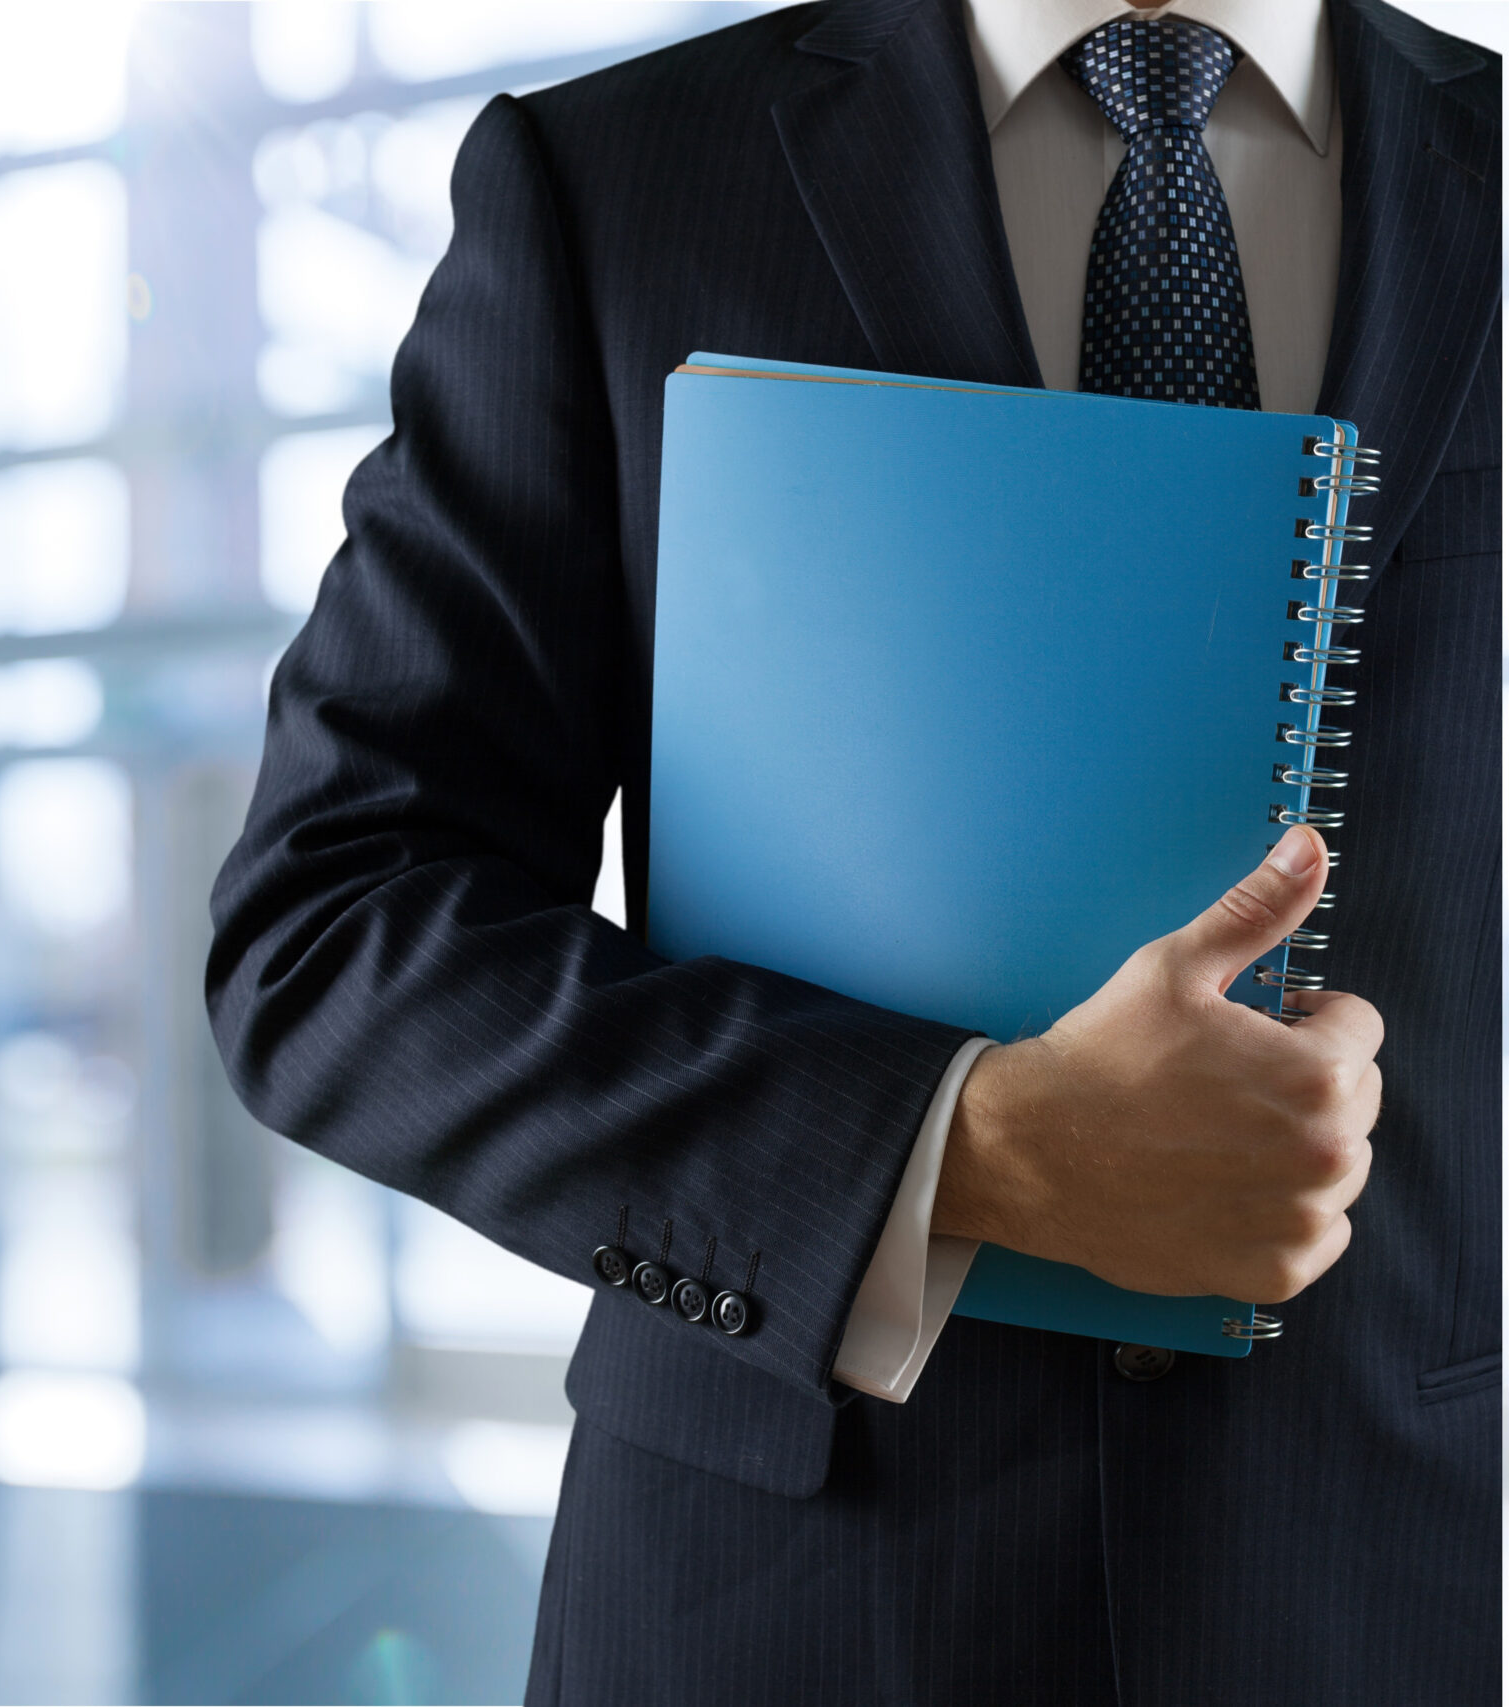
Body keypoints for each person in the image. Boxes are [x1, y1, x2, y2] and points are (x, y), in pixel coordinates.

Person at [204, 0, 1499, 1700]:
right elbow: (336, 932)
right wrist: (962, 1151)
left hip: (1421, 1582)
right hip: (787, 1603)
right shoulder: (614, 181)